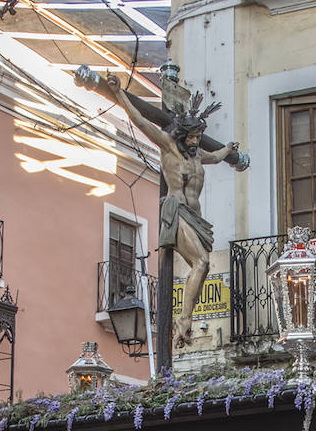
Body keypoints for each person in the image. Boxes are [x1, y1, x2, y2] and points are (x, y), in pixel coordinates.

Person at [97, 71, 247, 348]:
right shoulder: (168, 146)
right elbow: (141, 121)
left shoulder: (198, 155)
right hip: (176, 211)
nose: (196, 141)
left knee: (202, 267)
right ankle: (184, 320)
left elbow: (215, 156)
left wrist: (228, 149)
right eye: (193, 136)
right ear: (182, 133)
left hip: (196, 219)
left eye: (199, 136)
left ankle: (186, 318)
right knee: (201, 263)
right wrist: (119, 94)